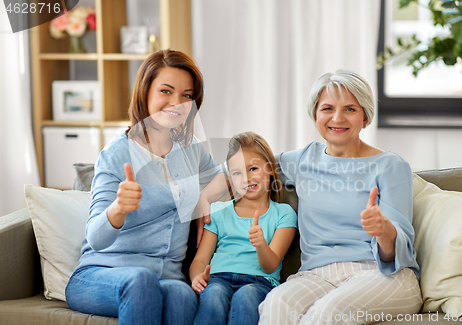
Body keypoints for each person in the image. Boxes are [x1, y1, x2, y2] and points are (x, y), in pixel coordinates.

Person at [65, 49, 227, 325]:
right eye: (166, 91)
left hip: (165, 278)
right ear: (145, 92)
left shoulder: (190, 150)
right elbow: (95, 238)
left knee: (181, 293)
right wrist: (118, 209)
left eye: (187, 95)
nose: (177, 102)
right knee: (141, 280)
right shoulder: (116, 154)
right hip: (102, 276)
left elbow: (227, 176)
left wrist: (204, 198)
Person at [258, 70, 422, 325]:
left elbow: (395, 254)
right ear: (315, 115)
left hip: (382, 274)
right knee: (276, 304)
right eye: (327, 108)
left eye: (350, 109)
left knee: (327, 313)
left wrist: (383, 230)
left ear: (365, 117)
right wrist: (202, 200)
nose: (337, 118)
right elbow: (244, 168)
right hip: (316, 275)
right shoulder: (302, 160)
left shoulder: (390, 165)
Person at [190, 132, 298, 325]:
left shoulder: (284, 214)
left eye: (253, 168)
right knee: (213, 294)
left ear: (271, 169)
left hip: (260, 282)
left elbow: (270, 265)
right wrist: (197, 277)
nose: (246, 178)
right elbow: (200, 260)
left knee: (246, 296)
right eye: (237, 173)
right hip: (217, 278)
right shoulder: (219, 211)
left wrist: (260, 244)